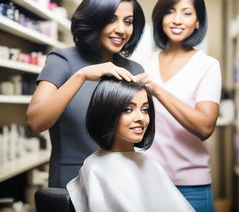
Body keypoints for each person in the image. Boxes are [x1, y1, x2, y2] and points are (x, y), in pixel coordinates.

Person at [25, 0, 145, 188]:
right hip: (72, 181)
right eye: (111, 19)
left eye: (128, 21)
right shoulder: (62, 61)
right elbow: (34, 123)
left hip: (121, 180)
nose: (121, 29)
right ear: (94, 18)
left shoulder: (133, 69)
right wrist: (80, 77)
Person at [135, 0, 222, 211]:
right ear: (160, 17)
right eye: (170, 11)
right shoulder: (143, 62)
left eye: (187, 13)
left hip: (191, 186)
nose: (177, 20)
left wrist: (157, 90)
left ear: (198, 21)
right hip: (145, 180)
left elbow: (205, 127)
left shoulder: (208, 66)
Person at [67, 76, 195, 212]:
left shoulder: (148, 162)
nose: (141, 118)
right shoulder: (96, 169)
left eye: (145, 110)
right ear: (106, 113)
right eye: (128, 109)